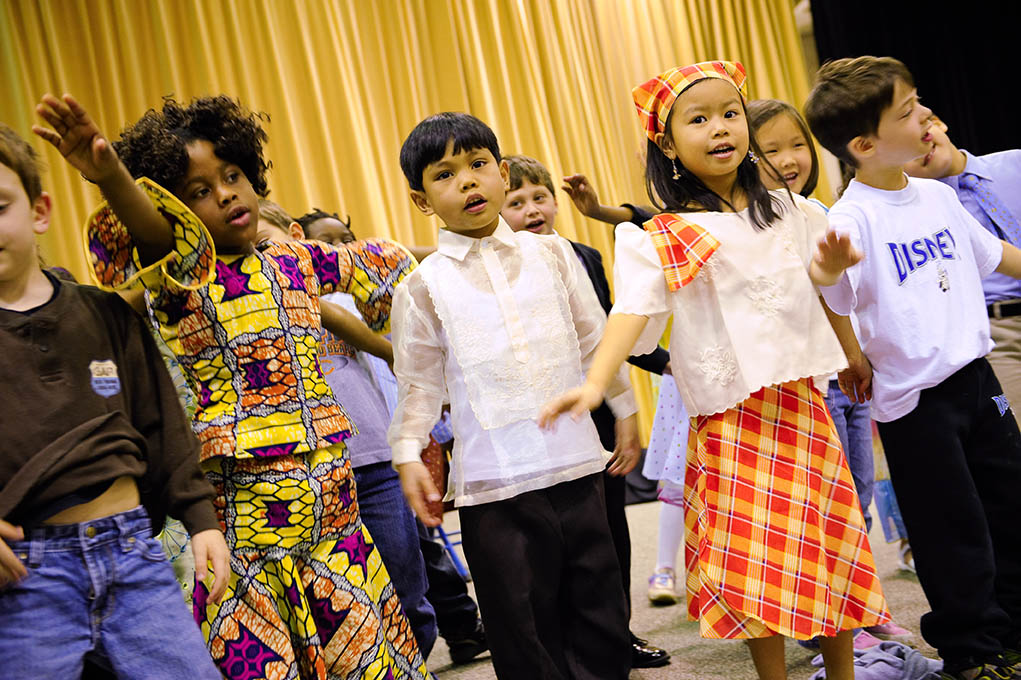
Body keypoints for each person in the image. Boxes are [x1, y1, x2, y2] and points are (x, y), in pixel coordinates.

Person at [34, 93, 428, 680]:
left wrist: (474, 241)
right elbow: (153, 232)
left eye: (233, 175)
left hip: (334, 511)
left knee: (369, 662)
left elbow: (386, 263)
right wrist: (112, 176)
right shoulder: (182, 275)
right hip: (247, 520)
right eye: (198, 191)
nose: (224, 193)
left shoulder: (295, 259)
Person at [540, 60, 890, 680]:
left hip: (800, 406)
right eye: (698, 119)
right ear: (668, 145)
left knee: (828, 548)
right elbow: (632, 312)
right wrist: (595, 382)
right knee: (755, 563)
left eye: (730, 113)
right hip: (732, 423)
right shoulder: (663, 236)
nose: (721, 128)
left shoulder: (794, 212)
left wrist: (833, 274)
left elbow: (814, 285)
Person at [391, 111, 638, 679]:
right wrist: (408, 451)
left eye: (478, 166)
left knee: (599, 609)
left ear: (502, 173)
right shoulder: (423, 285)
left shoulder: (552, 254)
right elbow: (420, 383)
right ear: (421, 199)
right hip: (494, 486)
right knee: (521, 624)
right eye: (446, 175)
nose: (468, 182)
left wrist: (623, 407)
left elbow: (592, 337)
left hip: (577, 465)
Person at [805, 55, 1021, 680]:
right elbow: (830, 293)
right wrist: (825, 270)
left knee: (1009, 505)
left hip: (977, 382)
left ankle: (1013, 626)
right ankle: (973, 649)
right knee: (952, 528)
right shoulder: (851, 218)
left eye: (919, 101)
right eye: (908, 112)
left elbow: (991, 255)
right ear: (864, 145)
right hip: (916, 402)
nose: (926, 116)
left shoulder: (934, 195)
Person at [0, 122, 228, 678]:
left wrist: (201, 518)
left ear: (39, 211)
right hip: (26, 577)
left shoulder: (103, 313)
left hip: (132, 555)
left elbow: (162, 424)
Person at [749, 98, 912, 645]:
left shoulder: (816, 211)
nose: (789, 159)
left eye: (797, 144)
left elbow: (836, 298)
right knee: (818, 505)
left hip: (840, 377)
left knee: (857, 492)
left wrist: (856, 356)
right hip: (799, 384)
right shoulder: (751, 222)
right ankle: (827, 620)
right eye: (770, 150)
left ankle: (860, 608)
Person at [501, 152, 670, 668]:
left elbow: (606, 336)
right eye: (516, 202)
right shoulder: (496, 270)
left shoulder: (584, 256)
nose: (532, 209)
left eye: (540, 197)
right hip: (538, 415)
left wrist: (658, 372)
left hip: (593, 409)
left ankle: (618, 632)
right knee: (553, 539)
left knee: (609, 527)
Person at [256, 200, 441, 659]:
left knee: (405, 580)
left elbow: (394, 274)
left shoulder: (336, 293)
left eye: (265, 246)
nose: (257, 263)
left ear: (296, 236)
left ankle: (418, 656)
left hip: (374, 459)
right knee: (346, 603)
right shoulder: (246, 309)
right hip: (311, 473)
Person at [904, 116, 1021, 414]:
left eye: (924, 133)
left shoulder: (1015, 164)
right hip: (998, 333)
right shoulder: (923, 210)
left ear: (938, 123)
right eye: (908, 151)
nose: (922, 150)